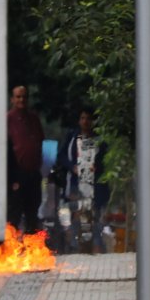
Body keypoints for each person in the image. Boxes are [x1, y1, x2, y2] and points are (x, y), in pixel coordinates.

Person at [58, 108, 109, 253]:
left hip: (94, 188)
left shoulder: (99, 140)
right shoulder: (72, 138)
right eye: (82, 118)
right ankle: (76, 250)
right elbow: (61, 157)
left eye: (88, 118)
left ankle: (96, 251)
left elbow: (104, 162)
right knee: (75, 221)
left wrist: (96, 168)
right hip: (75, 187)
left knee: (95, 222)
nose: (85, 121)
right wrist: (71, 167)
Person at [7, 85, 45, 234]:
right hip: (16, 174)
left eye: (24, 97)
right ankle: (11, 250)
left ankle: (31, 247)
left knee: (32, 212)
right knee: (14, 214)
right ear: (12, 99)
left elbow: (40, 142)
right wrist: (12, 179)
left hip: (33, 173)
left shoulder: (34, 119)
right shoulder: (8, 119)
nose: (21, 100)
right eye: (18, 97)